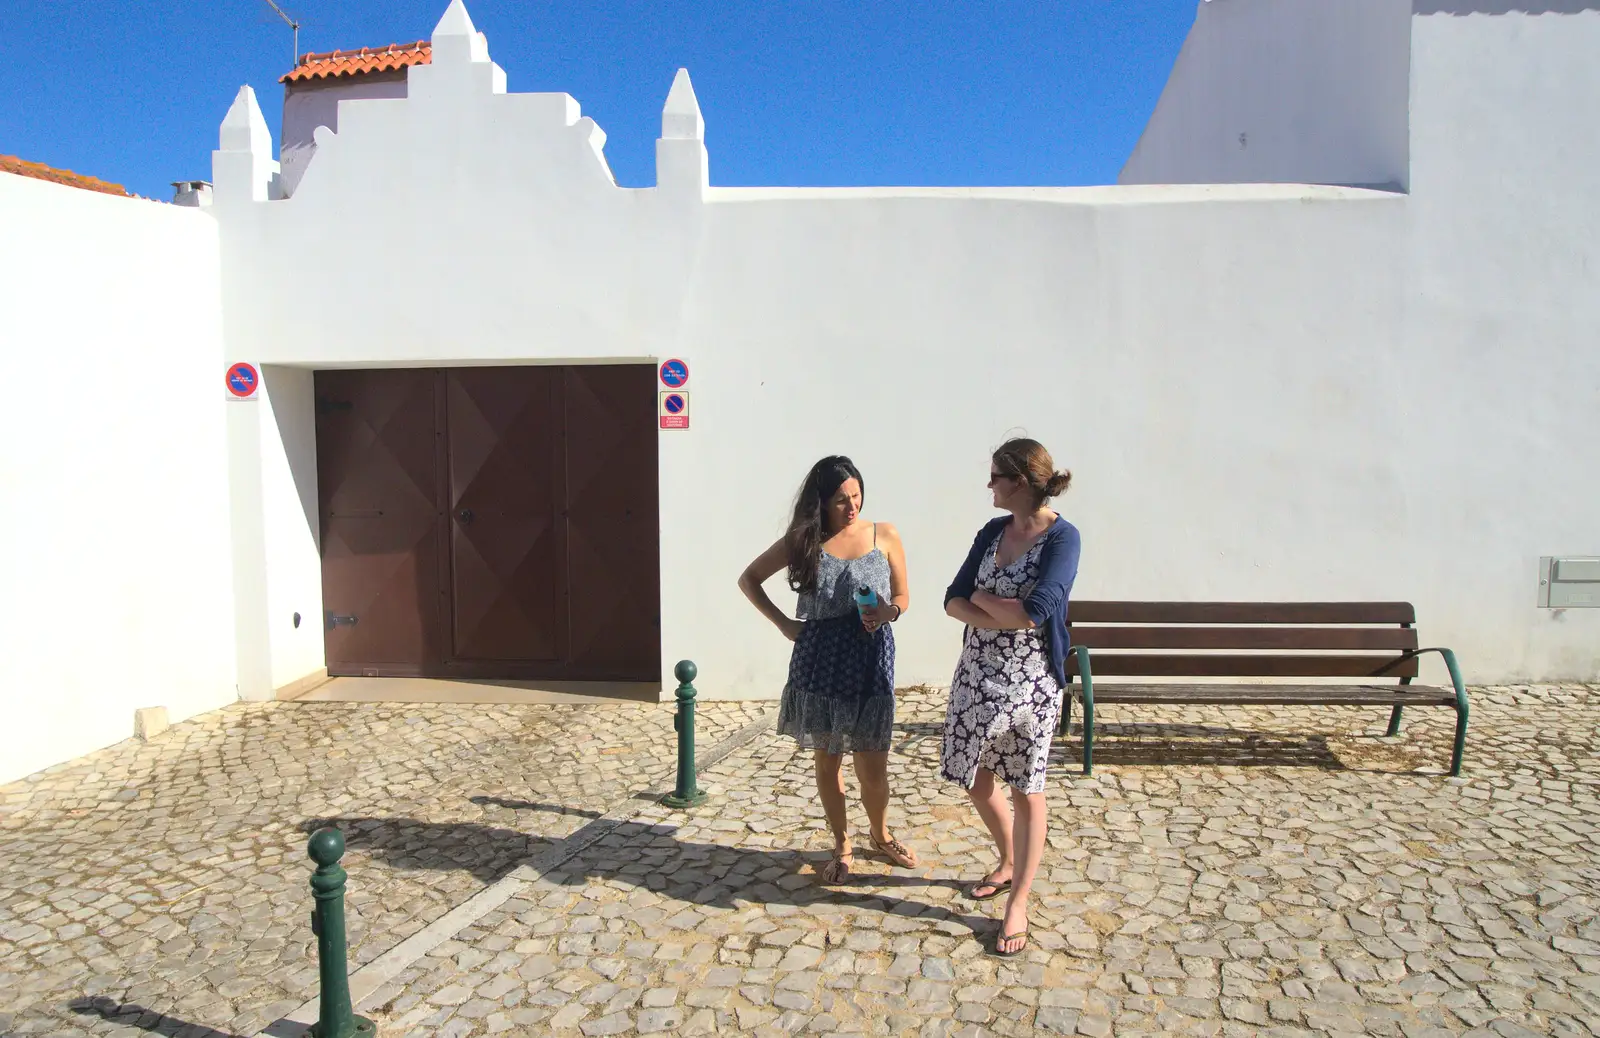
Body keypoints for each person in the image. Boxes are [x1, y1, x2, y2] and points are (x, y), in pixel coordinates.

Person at [739, 456, 917, 883]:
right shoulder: (803, 542)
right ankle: (841, 842)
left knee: (873, 765)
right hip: (820, 658)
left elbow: (904, 597)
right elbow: (749, 579)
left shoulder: (885, 534)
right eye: (840, 500)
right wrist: (785, 624)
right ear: (820, 502)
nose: (851, 506)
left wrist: (887, 611)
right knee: (828, 760)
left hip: (870, 657)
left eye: (856, 496)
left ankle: (880, 833)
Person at [941, 438, 1081, 957]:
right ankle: (1007, 859)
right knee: (974, 777)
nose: (989, 485)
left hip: (1030, 685)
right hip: (975, 675)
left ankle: (1017, 899)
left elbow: (1036, 613)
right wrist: (988, 604)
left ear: (1020, 481)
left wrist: (982, 601)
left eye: (996, 476)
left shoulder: (1063, 538)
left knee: (1026, 788)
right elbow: (952, 598)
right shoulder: (993, 531)